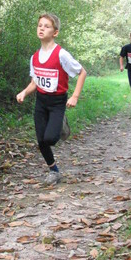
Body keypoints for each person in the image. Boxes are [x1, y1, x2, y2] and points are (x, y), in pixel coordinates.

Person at [16, 13, 87, 185]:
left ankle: (61, 123)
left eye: (46, 26)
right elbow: (35, 82)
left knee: (50, 139)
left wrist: (75, 96)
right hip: (41, 101)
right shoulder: (34, 57)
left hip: (57, 102)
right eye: (40, 25)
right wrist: (24, 92)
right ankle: (54, 171)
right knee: (41, 141)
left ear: (55, 32)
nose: (41, 28)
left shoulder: (61, 54)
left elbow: (82, 72)